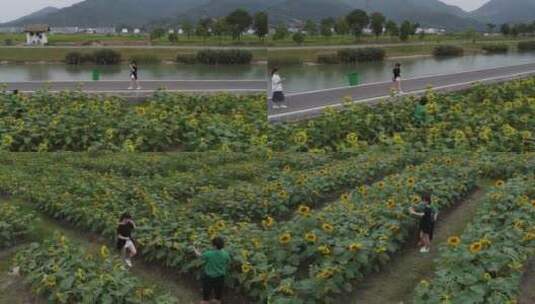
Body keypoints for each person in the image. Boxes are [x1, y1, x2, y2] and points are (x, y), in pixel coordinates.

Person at [193, 237, 231, 304]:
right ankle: (217, 300)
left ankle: (205, 301)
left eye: (212, 245)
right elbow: (228, 261)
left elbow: (200, 256)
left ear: (215, 246)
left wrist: (196, 251)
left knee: (207, 289)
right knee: (219, 289)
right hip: (220, 276)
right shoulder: (226, 254)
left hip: (209, 276)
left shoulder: (209, 254)